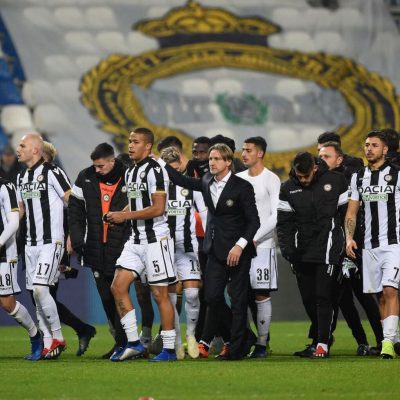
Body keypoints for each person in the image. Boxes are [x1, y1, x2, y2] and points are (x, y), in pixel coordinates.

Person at [160, 142, 260, 360]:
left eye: (216, 159)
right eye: (210, 159)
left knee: (238, 300)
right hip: (214, 250)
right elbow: (182, 180)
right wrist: (160, 162)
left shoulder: (242, 186)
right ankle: (245, 337)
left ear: (228, 162)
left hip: (238, 252)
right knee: (212, 297)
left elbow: (254, 221)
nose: (211, 163)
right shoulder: (206, 181)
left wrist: (240, 245)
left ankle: (237, 348)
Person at [105, 127, 177, 362]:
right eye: (129, 141)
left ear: (148, 146)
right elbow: (137, 203)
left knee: (159, 294)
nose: (130, 145)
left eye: (136, 142)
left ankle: (169, 350)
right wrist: (118, 214)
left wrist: (124, 216)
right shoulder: (130, 172)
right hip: (135, 240)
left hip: (156, 240)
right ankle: (134, 343)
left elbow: (158, 208)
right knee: (118, 287)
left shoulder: (156, 170)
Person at [277, 152, 348, 358]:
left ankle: (322, 344)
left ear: (315, 168)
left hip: (328, 248)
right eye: (299, 176)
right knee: (309, 300)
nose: (303, 180)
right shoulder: (287, 188)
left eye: (306, 176)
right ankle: (320, 338)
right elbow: (284, 224)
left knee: (323, 296)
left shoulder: (336, 181)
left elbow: (347, 215)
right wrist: (289, 251)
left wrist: (347, 245)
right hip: (301, 252)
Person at [319, 142, 383, 355]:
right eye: (320, 156)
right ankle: (361, 341)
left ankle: (383, 340)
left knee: (364, 295)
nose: (321, 160)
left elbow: (353, 217)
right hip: (332, 249)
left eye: (326, 156)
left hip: (352, 248)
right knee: (342, 300)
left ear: (339, 159)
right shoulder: (320, 183)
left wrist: (352, 244)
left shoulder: (349, 182)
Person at [68, 143, 130, 359]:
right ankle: (122, 342)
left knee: (123, 294)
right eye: (95, 165)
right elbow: (74, 210)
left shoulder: (129, 175)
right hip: (95, 248)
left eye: (101, 166)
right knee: (106, 298)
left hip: (124, 247)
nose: (97, 169)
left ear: (112, 161)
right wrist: (77, 239)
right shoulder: (85, 177)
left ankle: (136, 341)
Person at [16, 133, 71, 359]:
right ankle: (48, 344)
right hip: (30, 245)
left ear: (35, 150)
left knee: (40, 289)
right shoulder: (21, 177)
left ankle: (57, 337)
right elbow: (21, 210)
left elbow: (71, 199)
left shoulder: (52, 172)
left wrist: (73, 234)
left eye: (22, 146)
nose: (18, 149)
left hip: (51, 242)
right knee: (36, 295)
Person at [346, 130, 400, 359]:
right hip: (368, 246)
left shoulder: (397, 174)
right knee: (379, 295)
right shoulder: (358, 177)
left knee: (390, 290)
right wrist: (349, 238)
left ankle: (387, 343)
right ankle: (394, 340)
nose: (369, 149)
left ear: (385, 149)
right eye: (367, 144)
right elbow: (351, 212)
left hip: (393, 244)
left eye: (374, 145)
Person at [41, 141, 96, 357]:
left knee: (44, 294)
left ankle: (57, 339)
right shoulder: (31, 179)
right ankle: (76, 331)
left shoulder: (55, 176)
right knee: (43, 295)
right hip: (37, 244)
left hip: (56, 243)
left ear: (43, 155)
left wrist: (71, 236)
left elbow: (73, 208)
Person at [160, 146, 208, 359]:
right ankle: (177, 341)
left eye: (176, 167)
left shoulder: (191, 186)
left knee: (192, 294)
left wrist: (210, 239)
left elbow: (204, 213)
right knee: (170, 296)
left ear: (181, 164)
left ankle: (191, 335)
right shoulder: (158, 188)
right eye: (169, 168)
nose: (174, 171)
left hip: (188, 246)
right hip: (165, 247)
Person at [237, 136, 280, 358]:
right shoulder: (237, 178)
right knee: (239, 295)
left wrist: (254, 238)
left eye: (248, 150)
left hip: (262, 246)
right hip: (240, 246)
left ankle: (262, 343)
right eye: (243, 150)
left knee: (261, 294)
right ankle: (242, 341)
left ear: (260, 153)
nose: (243, 154)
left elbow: (275, 215)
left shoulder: (271, 179)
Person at [0, 173, 43, 360]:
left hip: (4, 252)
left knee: (7, 303)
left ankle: (35, 335)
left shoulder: (6, 187)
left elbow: (14, 222)